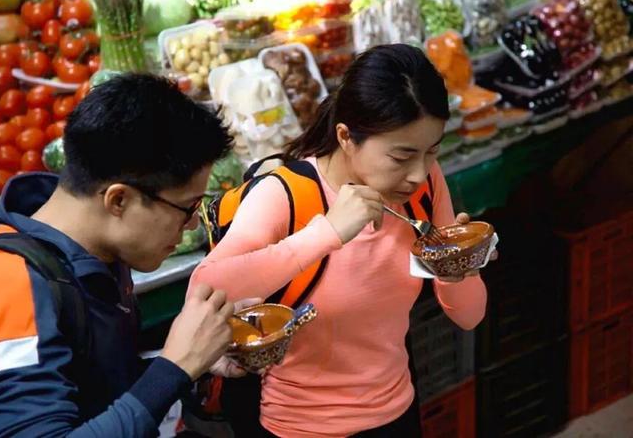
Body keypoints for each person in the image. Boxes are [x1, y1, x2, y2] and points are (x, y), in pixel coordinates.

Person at [189, 44, 490, 437]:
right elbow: (204, 287)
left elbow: (469, 316)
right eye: (401, 157)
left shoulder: (423, 189)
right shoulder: (287, 195)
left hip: (396, 412)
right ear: (346, 136)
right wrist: (326, 234)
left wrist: (456, 269)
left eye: (431, 152)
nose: (418, 172)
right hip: (297, 427)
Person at [0, 74, 251, 437]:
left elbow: (94, 389)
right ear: (119, 200)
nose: (193, 224)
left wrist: (197, 360)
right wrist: (175, 366)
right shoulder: (9, 285)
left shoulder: (99, 252)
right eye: (187, 207)